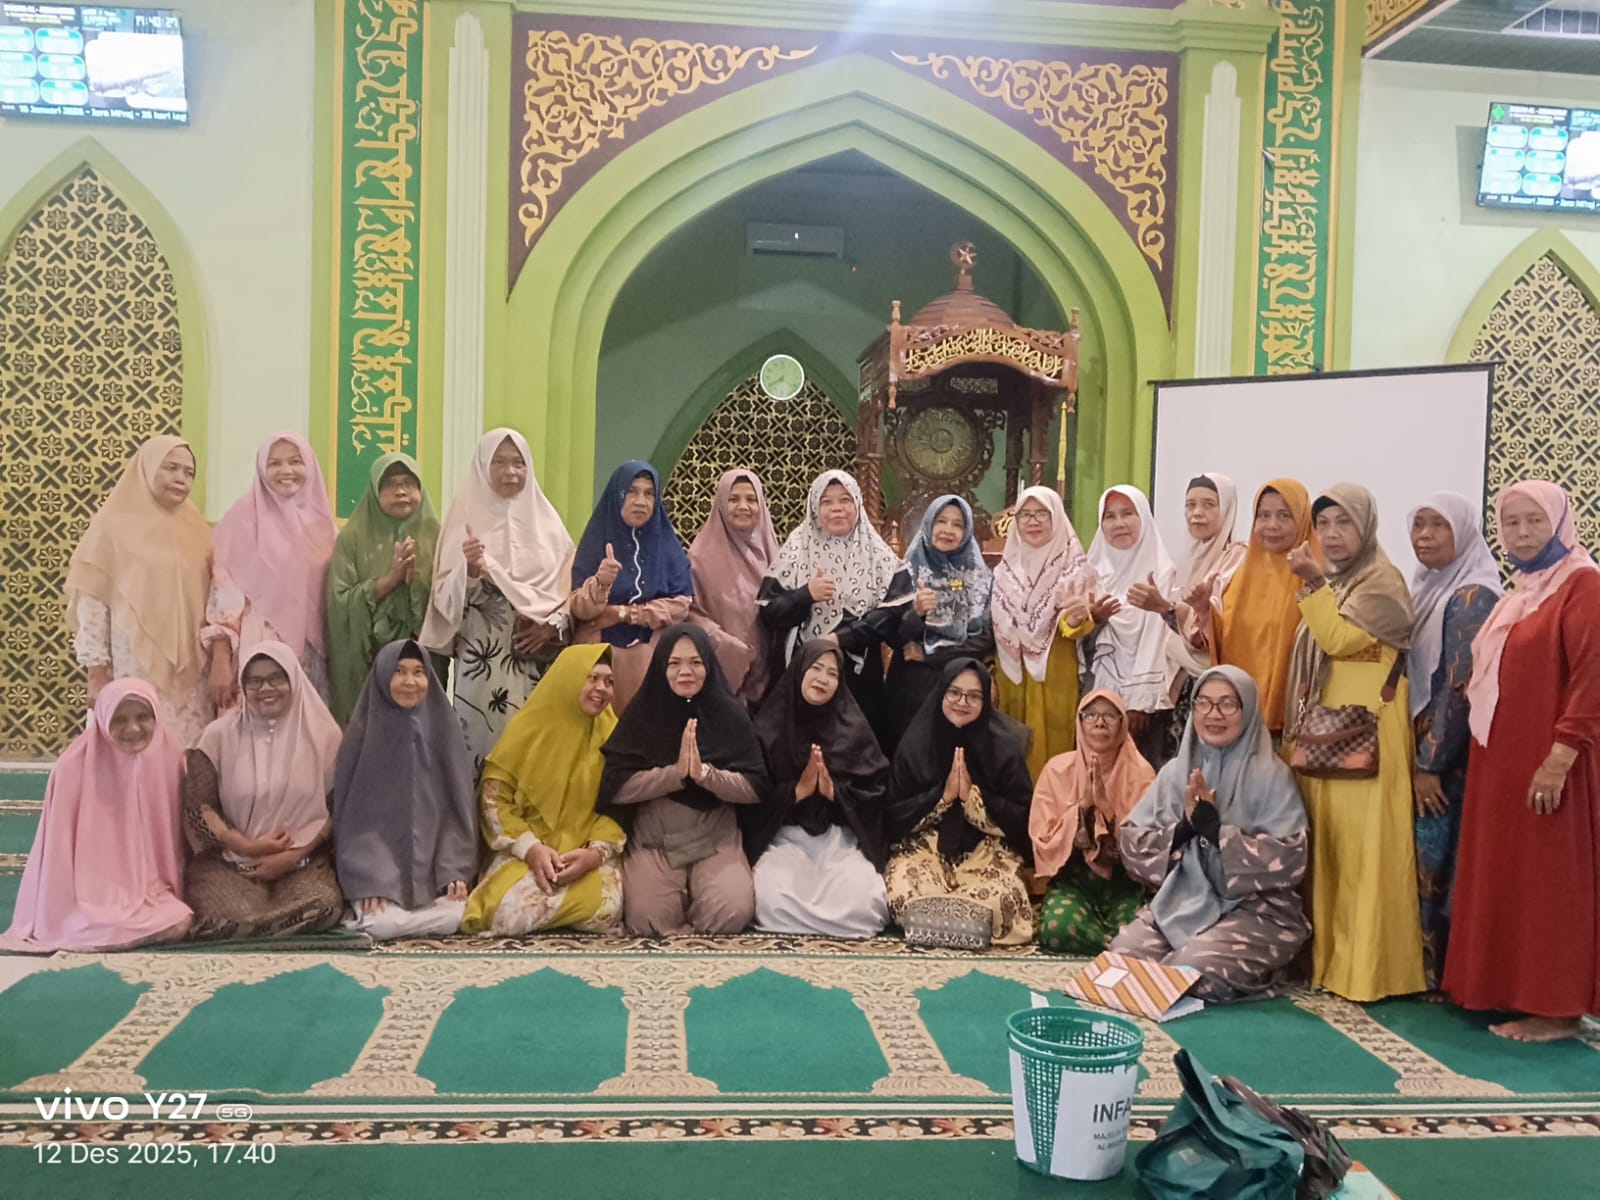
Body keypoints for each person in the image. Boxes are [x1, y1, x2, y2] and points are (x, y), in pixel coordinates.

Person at [1446, 481, 1600, 1042]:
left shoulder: (1582, 585)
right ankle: (1502, 988)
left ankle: (1556, 1007)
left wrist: (1559, 758)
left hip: (1551, 760)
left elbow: (1592, 677)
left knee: (1550, 879)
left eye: (1535, 521)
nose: (1523, 533)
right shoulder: (1524, 592)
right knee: (1510, 872)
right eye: (1511, 522)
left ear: (1559, 524)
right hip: (1502, 762)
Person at [1284, 483, 1422, 1002]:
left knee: (1366, 855)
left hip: (1367, 737)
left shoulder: (1381, 583)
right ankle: (1327, 966)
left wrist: (1312, 581)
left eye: (1344, 522)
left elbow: (1338, 639)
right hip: (1327, 736)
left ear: (1366, 526)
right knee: (1332, 852)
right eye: (1324, 524)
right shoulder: (1341, 583)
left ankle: (1366, 973)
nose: (1333, 534)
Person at [1110, 667, 1309, 1003]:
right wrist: (1183, 830)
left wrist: (1218, 835)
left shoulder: (1271, 776)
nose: (1214, 714)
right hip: (1181, 902)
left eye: (1228, 704)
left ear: (1248, 710)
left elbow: (1292, 858)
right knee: (1121, 962)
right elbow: (1132, 845)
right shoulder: (1175, 773)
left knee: (1187, 975)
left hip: (1257, 912)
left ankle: (1266, 970)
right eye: (1204, 703)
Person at [598, 624, 770, 936]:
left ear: (709, 665)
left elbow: (755, 789)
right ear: (661, 667)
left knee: (731, 913)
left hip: (715, 839)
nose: (685, 672)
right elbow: (617, 788)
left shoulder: (729, 715)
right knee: (647, 919)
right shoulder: (643, 715)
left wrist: (706, 775)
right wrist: (673, 774)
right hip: (655, 841)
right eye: (674, 663)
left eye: (695, 662)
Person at [421, 429, 575, 770]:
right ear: (482, 466)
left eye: (519, 463)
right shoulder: (464, 521)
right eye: (499, 462)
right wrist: (470, 569)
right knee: (480, 743)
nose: (510, 472)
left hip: (536, 654)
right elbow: (444, 600)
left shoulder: (549, 525)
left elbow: (568, 592)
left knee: (534, 746)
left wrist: (552, 626)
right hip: (482, 656)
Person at [3, 680, 191, 950]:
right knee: (90, 922)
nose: (133, 729)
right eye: (119, 719)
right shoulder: (72, 768)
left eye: (142, 717)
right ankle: (102, 937)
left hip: (151, 892)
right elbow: (57, 855)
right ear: (102, 720)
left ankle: (111, 938)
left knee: (179, 918)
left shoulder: (170, 760)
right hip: (86, 897)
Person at [1405, 492, 1501, 992]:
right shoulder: (1427, 589)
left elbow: (1459, 687)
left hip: (1448, 759)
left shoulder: (1471, 597)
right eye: (1418, 524)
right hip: (1424, 745)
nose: (1424, 536)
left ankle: (1436, 973)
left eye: (1438, 525)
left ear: (1462, 533)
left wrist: (1430, 763)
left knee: (1436, 860)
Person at [182, 643, 344, 940]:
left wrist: (293, 855)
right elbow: (200, 806)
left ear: (294, 679)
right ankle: (258, 924)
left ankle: (247, 929)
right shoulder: (218, 737)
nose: (265, 688)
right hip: (230, 863)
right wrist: (247, 846)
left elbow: (338, 808)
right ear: (243, 686)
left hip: (301, 863)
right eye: (254, 681)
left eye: (276, 678)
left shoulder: (325, 737)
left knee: (324, 905)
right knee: (221, 908)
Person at [460, 645, 626, 936]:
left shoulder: (613, 735)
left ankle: (556, 907)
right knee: (507, 912)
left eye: (609, 681)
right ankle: (559, 909)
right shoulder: (528, 730)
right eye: (592, 678)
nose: (602, 688)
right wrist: (531, 849)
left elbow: (619, 806)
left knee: (606, 908)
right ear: (568, 679)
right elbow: (493, 802)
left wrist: (594, 854)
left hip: (583, 855)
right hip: (525, 854)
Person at [67, 434, 214, 746]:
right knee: (134, 747)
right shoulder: (112, 526)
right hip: (132, 663)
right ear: (146, 468)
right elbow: (93, 602)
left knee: (186, 754)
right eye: (170, 468)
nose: (181, 478)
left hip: (192, 675)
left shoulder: (198, 529)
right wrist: (97, 672)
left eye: (189, 472)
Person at [884, 658, 1036, 947]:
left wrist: (971, 799)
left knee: (1000, 900)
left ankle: (939, 926)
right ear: (941, 692)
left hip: (987, 848)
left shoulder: (1005, 747)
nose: (962, 702)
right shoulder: (916, 743)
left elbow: (1022, 816)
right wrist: (942, 798)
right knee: (905, 891)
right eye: (954, 692)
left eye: (974, 696)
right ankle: (968, 928)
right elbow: (894, 814)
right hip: (925, 846)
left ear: (986, 701)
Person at [333, 640, 478, 940]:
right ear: (382, 677)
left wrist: (453, 870)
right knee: (382, 923)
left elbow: (458, 811)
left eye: (418, 672)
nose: (410, 681)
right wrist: (370, 879)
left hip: (434, 871)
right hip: (378, 870)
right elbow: (353, 820)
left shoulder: (444, 731)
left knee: (457, 916)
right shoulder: (362, 736)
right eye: (399, 671)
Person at [746, 639, 891, 938]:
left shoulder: (854, 730)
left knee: (867, 904)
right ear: (799, 670)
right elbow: (750, 799)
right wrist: (795, 793)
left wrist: (836, 794)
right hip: (784, 838)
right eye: (815, 668)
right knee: (771, 899)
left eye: (832, 673)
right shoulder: (767, 729)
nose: (823, 679)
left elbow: (876, 795)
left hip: (838, 839)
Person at [758, 470, 913, 732]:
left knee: (855, 740)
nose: (837, 508)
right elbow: (769, 612)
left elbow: (893, 614)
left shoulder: (877, 553)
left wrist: (841, 638)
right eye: (826, 501)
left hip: (860, 675)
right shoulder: (797, 547)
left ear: (857, 504)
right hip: (804, 667)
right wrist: (806, 594)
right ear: (814, 507)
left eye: (845, 500)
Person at [205, 431, 338, 709]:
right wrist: (220, 660)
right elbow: (222, 598)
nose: (286, 470)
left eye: (295, 461)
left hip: (313, 653)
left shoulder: (326, 528)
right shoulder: (240, 522)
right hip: (257, 642)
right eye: (274, 463)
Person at [1030, 690, 1157, 954]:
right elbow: (1042, 838)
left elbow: (1149, 846)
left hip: (1125, 883)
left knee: (1138, 930)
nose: (1100, 723)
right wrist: (1083, 807)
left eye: (1110, 715)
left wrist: (1107, 810)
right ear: (1080, 722)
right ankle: (1118, 947)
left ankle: (1121, 943)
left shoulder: (1141, 774)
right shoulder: (1057, 769)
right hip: (1073, 880)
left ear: (1123, 723)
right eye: (1090, 715)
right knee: (1056, 930)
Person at [1127, 474, 1245, 754]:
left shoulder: (1237, 558)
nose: (1197, 513)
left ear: (1227, 509)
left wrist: (1166, 608)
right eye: (1190, 505)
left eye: (1209, 505)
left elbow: (1212, 633)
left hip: (1213, 692)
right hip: (1182, 692)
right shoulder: (1187, 560)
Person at [991, 486, 1100, 778]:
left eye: (1042, 513)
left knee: (1055, 749)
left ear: (1057, 518)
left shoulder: (1074, 567)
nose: (1033, 521)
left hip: (1056, 672)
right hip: (1011, 676)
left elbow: (1083, 626)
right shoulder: (1003, 572)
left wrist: (1075, 619)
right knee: (1011, 749)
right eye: (1025, 514)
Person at [569, 461, 694, 715]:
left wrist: (626, 614)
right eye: (632, 492)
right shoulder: (596, 541)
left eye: (649, 494)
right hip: (600, 656)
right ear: (617, 496)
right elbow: (580, 609)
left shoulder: (666, 545)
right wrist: (601, 582)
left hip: (651, 654)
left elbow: (682, 605)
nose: (641, 501)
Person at [327, 453, 441, 724]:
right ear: (375, 491)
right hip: (371, 658)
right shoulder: (352, 537)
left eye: (408, 483)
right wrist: (390, 580)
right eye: (390, 484)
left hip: (423, 660)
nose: (400, 491)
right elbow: (340, 601)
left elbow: (451, 601)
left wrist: (416, 582)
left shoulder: (436, 535)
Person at [1204, 479, 1318, 741]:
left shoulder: (1315, 575)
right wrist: (1202, 612)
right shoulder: (1241, 578)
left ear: (1302, 519)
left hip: (1296, 724)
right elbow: (1224, 641)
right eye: (1263, 515)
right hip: (1240, 721)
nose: (1272, 525)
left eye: (1284, 515)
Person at [882, 494, 995, 749]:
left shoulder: (979, 577)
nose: (948, 530)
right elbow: (892, 635)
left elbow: (985, 639)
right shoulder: (908, 570)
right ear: (929, 524)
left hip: (961, 684)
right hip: (911, 687)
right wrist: (916, 613)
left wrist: (929, 653)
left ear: (967, 532)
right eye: (941, 521)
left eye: (958, 524)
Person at [1084, 486, 1177, 766]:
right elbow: (1075, 644)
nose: (1119, 523)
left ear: (1144, 518)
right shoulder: (1089, 572)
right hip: (1098, 696)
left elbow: (1159, 637)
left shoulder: (1163, 572)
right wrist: (1094, 620)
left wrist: (1139, 701)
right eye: (1109, 516)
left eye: (1127, 514)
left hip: (1148, 706)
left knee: (1141, 773)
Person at [687, 469, 779, 706]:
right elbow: (690, 612)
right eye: (733, 499)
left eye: (751, 499)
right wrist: (728, 647)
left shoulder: (774, 553)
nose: (743, 506)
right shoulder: (700, 558)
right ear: (720, 504)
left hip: (769, 679)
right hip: (720, 674)